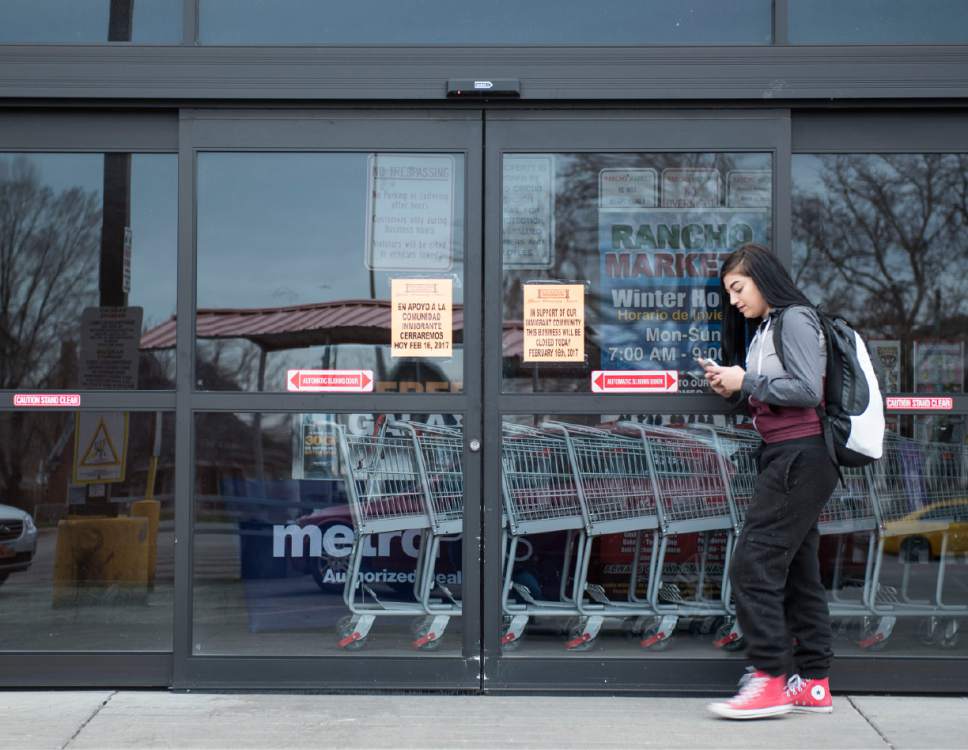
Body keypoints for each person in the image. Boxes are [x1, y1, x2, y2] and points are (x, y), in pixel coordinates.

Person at [704, 243, 840, 720]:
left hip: (798, 457)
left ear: (761, 278)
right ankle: (814, 683)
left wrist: (747, 382)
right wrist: (736, 387)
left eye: (738, 289)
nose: (735, 300)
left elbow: (806, 390)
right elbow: (780, 391)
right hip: (789, 455)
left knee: (752, 564)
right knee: (801, 573)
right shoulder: (768, 328)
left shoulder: (795, 319)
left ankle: (770, 677)